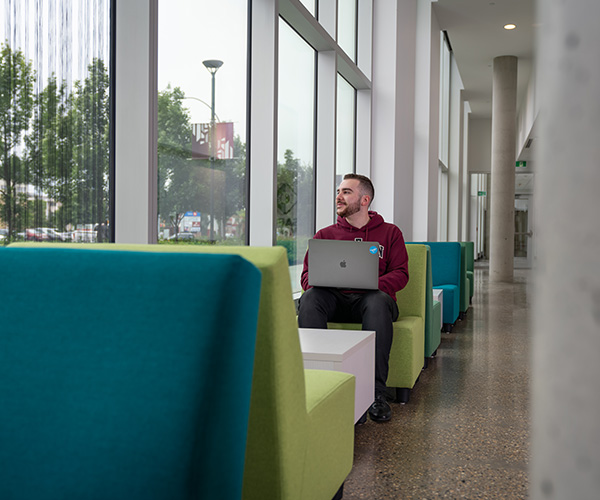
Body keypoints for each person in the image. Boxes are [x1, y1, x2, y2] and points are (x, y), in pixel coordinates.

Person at [298, 173, 409, 423]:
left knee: (377, 301)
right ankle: (313, 386)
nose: (339, 196)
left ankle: (376, 394)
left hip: (372, 301)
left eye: (346, 191)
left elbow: (401, 274)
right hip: (334, 300)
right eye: (338, 191)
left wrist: (370, 284)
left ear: (365, 199)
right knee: (311, 298)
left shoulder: (390, 233)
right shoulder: (324, 235)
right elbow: (306, 279)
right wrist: (330, 280)